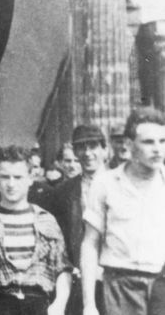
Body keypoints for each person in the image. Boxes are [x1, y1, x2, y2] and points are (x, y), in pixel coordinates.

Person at [0, 146, 70, 315]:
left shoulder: (46, 220)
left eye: (18, 177)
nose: (11, 184)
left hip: (39, 304)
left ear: (30, 179)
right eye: (5, 177)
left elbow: (62, 268)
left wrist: (59, 304)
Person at [80, 107, 165, 315]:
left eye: (162, 141)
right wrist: (89, 304)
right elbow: (90, 243)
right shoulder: (106, 183)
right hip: (120, 286)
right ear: (129, 145)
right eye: (148, 142)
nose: (157, 149)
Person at [37, 126, 108, 315]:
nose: (87, 153)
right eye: (81, 148)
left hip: (114, 283)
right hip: (76, 282)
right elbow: (57, 239)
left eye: (93, 146)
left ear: (104, 150)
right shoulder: (62, 192)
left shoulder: (120, 185)